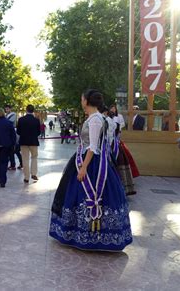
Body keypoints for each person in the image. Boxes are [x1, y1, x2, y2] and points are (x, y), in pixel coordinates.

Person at [49, 89, 132, 251]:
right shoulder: (101, 118)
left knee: (87, 196)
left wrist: (83, 168)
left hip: (92, 164)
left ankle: (89, 237)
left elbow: (93, 147)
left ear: (86, 101)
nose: (81, 102)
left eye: (82, 99)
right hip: (96, 161)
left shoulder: (95, 120)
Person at [17, 104, 41, 184]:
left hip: (23, 142)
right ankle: (34, 173)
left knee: (25, 159)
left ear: (26, 110)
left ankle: (26, 177)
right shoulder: (36, 120)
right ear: (33, 111)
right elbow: (38, 132)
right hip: (33, 142)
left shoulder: (21, 119)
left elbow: (18, 132)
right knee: (34, 157)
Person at [4, 105, 17, 170]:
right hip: (6, 134)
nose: (6, 110)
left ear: (10, 109)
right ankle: (11, 164)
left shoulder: (13, 114)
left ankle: (13, 165)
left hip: (11, 133)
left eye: (7, 109)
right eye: (6, 109)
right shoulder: (6, 115)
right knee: (9, 151)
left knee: (11, 151)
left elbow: (10, 122)